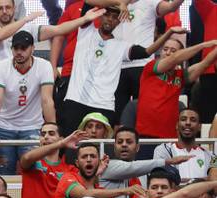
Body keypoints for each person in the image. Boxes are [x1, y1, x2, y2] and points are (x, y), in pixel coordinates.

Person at [59, 5, 180, 133]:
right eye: (107, 15)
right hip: (75, 100)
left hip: (104, 105)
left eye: (115, 17)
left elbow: (146, 52)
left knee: (101, 150)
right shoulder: (86, 31)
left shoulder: (122, 47)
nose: (110, 19)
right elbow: (89, 1)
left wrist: (169, 33)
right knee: (71, 148)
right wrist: (121, 3)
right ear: (100, 16)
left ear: (119, 21)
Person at [0, 30, 56, 175]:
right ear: (11, 49)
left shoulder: (44, 66)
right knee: (4, 173)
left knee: (35, 173)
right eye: (16, 48)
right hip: (4, 126)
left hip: (32, 126)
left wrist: (53, 131)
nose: (19, 52)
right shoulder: (1, 66)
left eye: (24, 48)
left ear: (33, 48)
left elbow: (47, 100)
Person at [153, 109, 217, 182]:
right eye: (183, 119)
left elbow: (213, 183)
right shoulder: (163, 150)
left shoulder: (210, 155)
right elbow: (162, 180)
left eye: (193, 120)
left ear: (199, 127)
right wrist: (201, 182)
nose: (188, 123)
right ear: (177, 125)